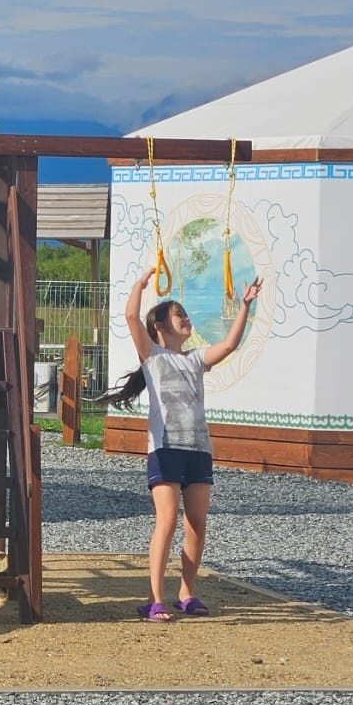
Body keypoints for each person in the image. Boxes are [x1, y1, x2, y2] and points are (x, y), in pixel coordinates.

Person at [100, 266, 263, 621]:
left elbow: (229, 345)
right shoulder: (153, 356)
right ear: (160, 326)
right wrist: (140, 284)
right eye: (179, 315)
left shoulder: (195, 359)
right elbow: (131, 317)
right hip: (165, 449)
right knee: (167, 521)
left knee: (197, 524)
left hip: (199, 450)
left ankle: (187, 593)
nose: (186, 319)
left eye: (186, 314)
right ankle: (155, 599)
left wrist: (245, 306)